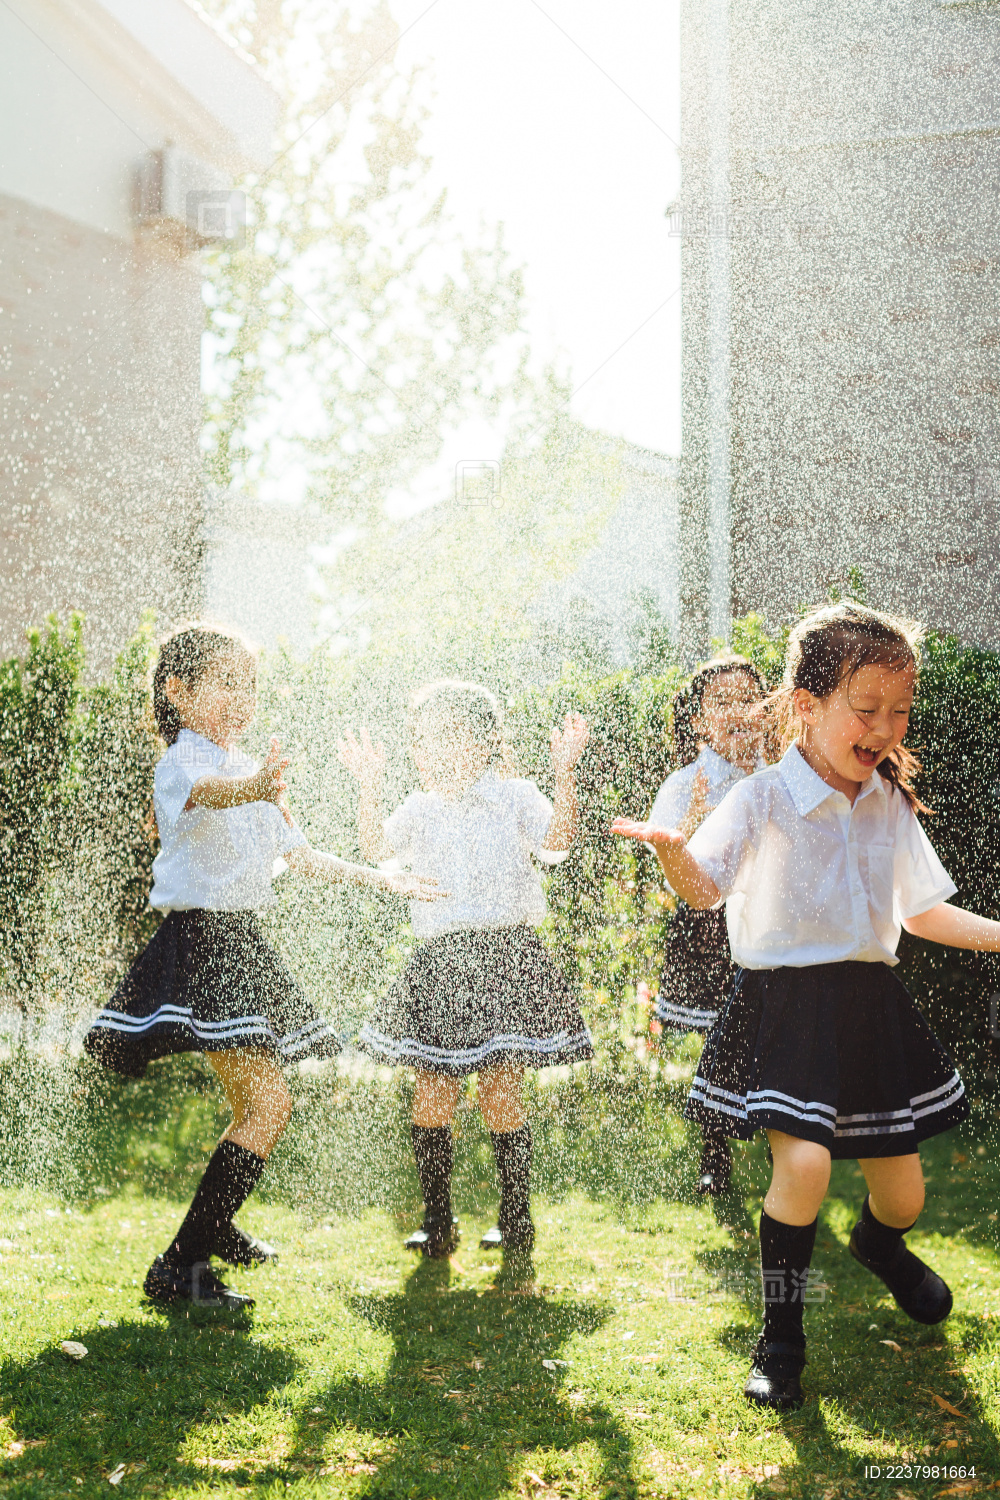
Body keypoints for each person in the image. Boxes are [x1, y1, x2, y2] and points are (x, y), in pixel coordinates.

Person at [613, 601, 1000, 1410]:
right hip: (785, 1004)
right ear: (805, 705)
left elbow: (921, 912)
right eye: (867, 709)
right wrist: (673, 854)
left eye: (900, 710)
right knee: (806, 1161)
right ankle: (780, 1339)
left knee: (906, 1197)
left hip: (869, 1007)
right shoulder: (759, 799)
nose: (886, 727)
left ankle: (877, 1245)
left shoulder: (887, 801)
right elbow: (705, 892)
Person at [85, 626, 440, 1310]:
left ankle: (212, 1230)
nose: (242, 697)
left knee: (256, 1103)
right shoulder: (184, 765)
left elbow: (300, 856)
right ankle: (179, 1266)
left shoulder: (250, 770)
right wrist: (252, 785)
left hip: (237, 944)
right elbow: (212, 795)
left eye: (250, 684)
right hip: (202, 945)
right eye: (225, 681)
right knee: (271, 1104)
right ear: (178, 693)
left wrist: (384, 881)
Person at [338, 680, 593, 1259]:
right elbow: (377, 848)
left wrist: (564, 775)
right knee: (432, 1092)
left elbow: (557, 844)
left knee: (500, 1092)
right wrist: (369, 787)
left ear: (485, 743)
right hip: (441, 962)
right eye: (425, 741)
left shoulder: (515, 795)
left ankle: (516, 1216)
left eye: (451, 736)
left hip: (505, 955)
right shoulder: (420, 807)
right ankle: (438, 1219)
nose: (436, 750)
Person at [645, 655, 767, 1195]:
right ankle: (715, 1153)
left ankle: (782, 1131)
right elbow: (673, 861)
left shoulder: (782, 770)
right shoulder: (685, 782)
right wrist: (692, 818)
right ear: (698, 721)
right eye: (722, 702)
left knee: (771, 1030)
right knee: (721, 1037)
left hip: (770, 922)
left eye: (749, 699)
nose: (739, 710)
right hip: (710, 927)